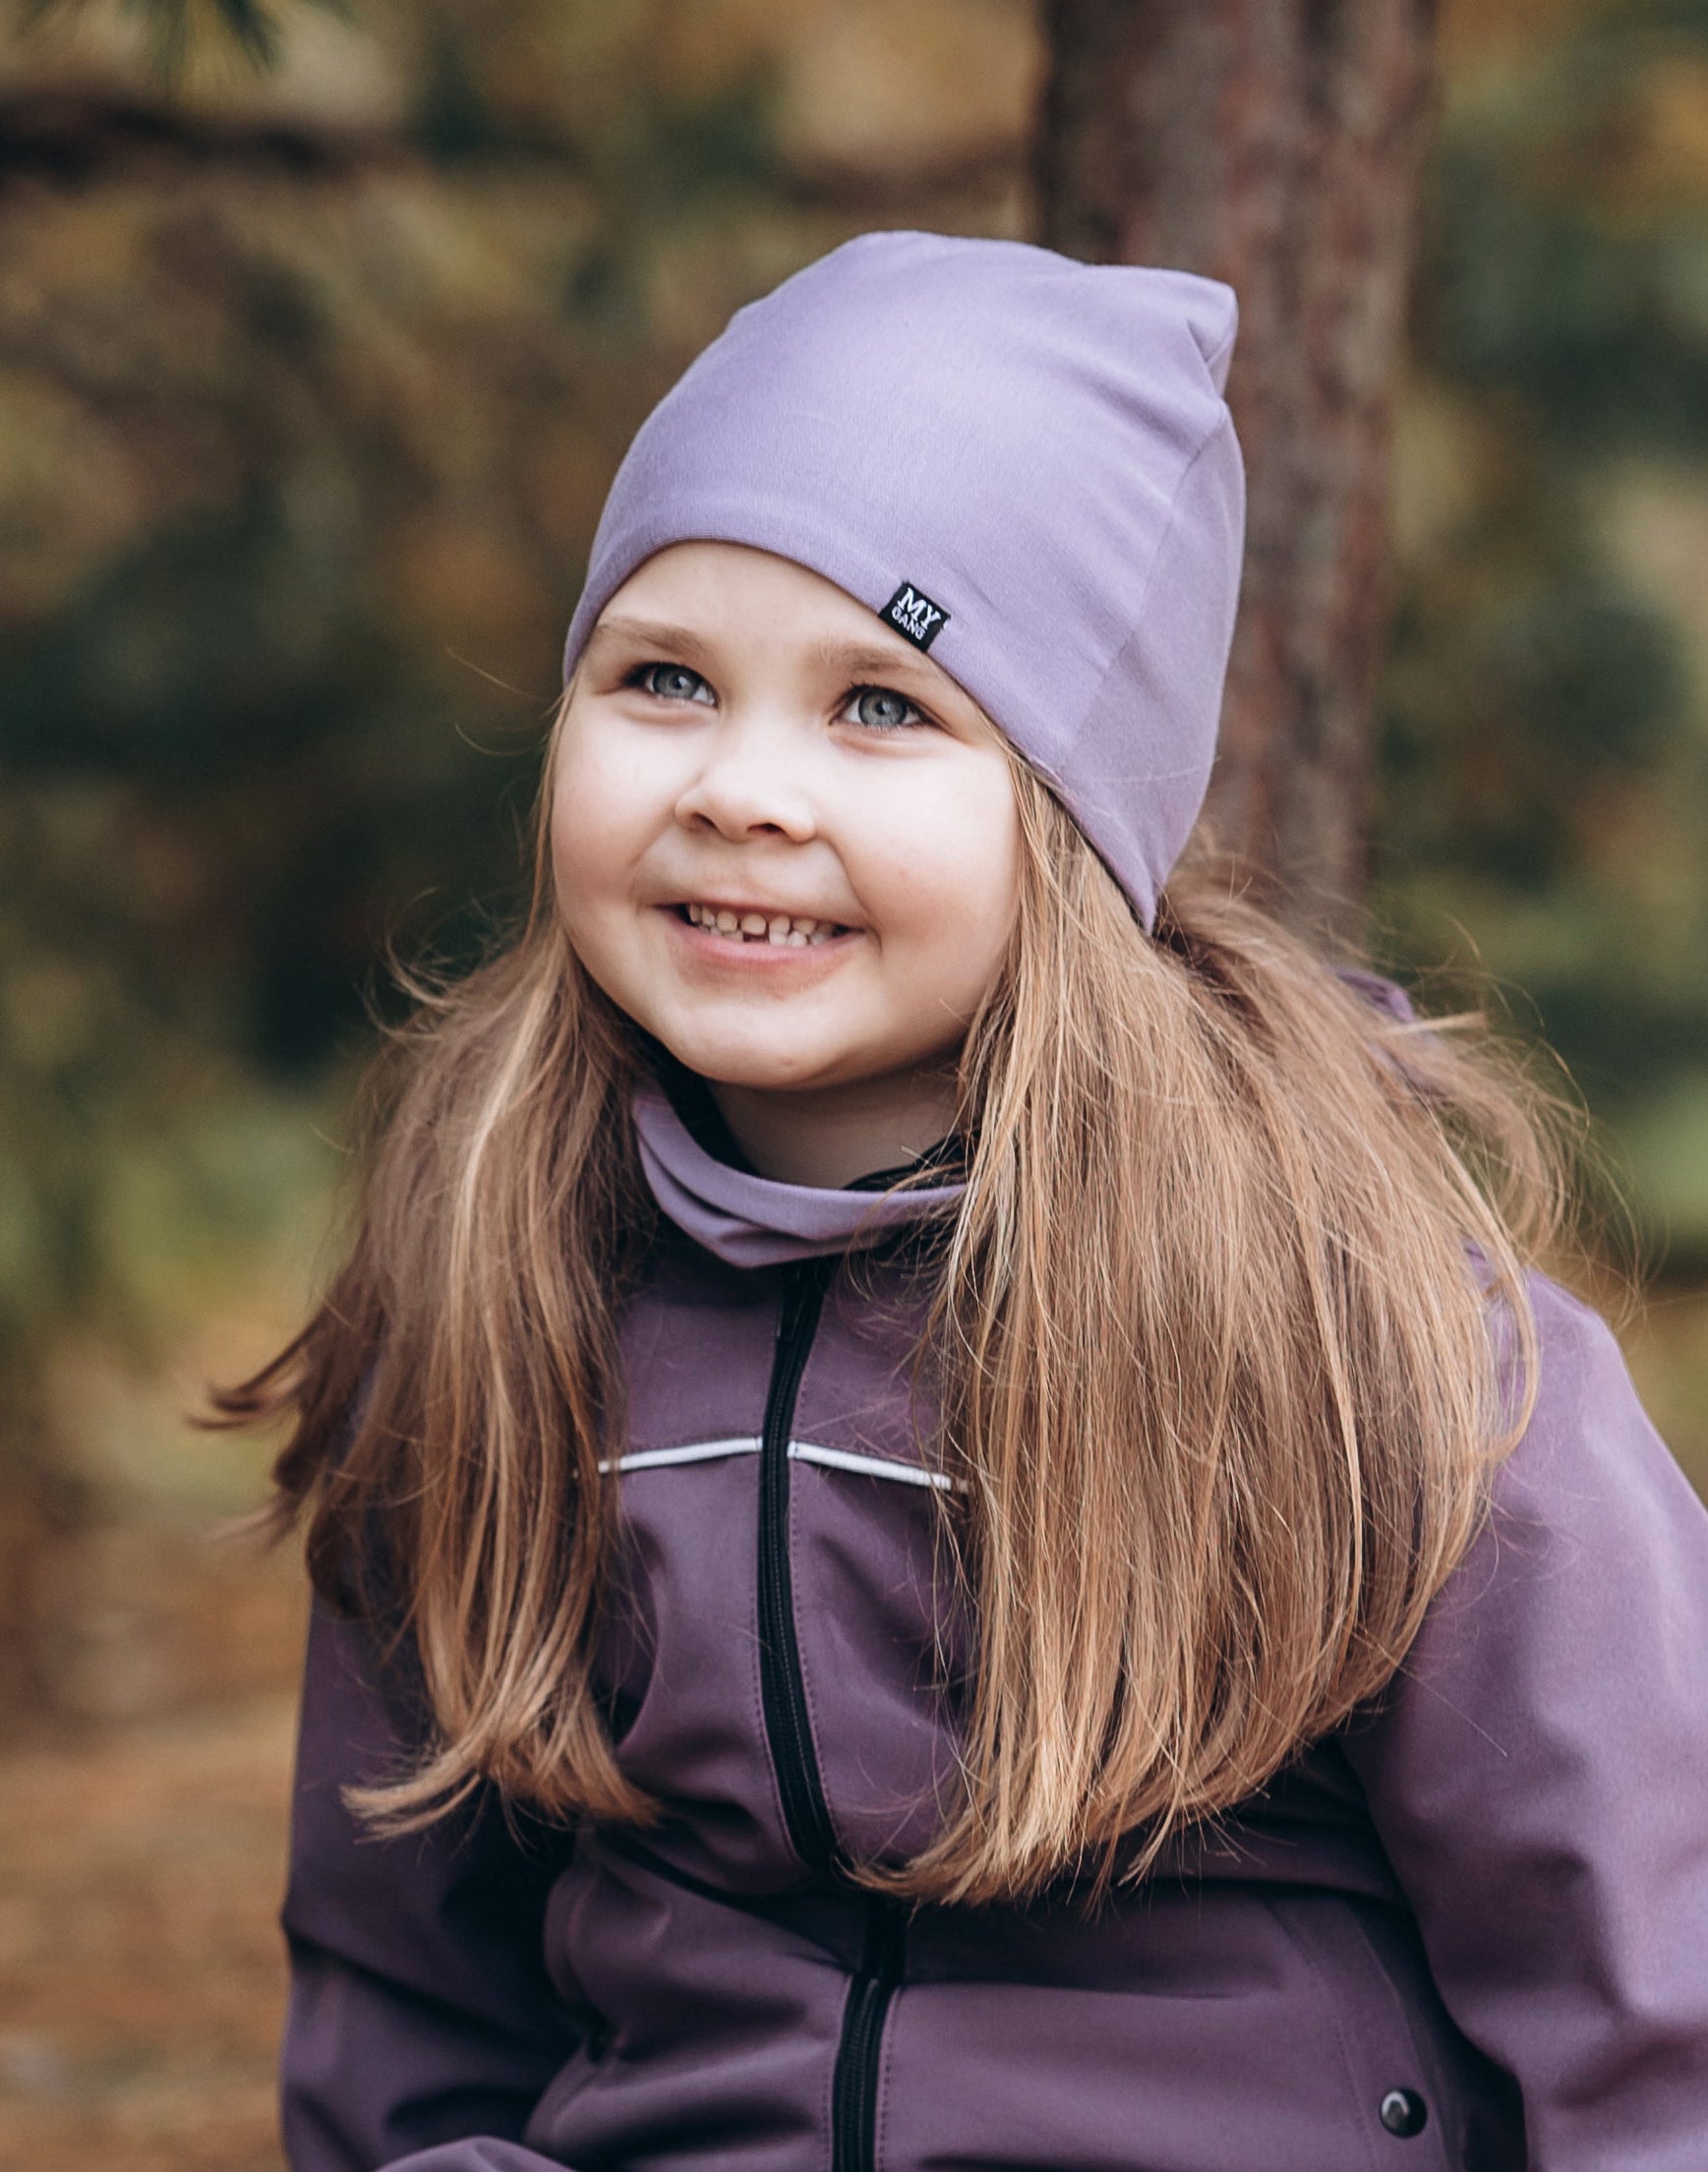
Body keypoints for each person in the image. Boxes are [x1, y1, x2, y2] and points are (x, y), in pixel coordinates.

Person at [220, 232, 1708, 2172]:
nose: (743, 786)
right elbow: (408, 1988)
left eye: (879, 707)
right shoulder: (495, 1285)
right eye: (662, 676)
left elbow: (1652, 2007)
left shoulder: (1374, 1352)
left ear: (1075, 807)